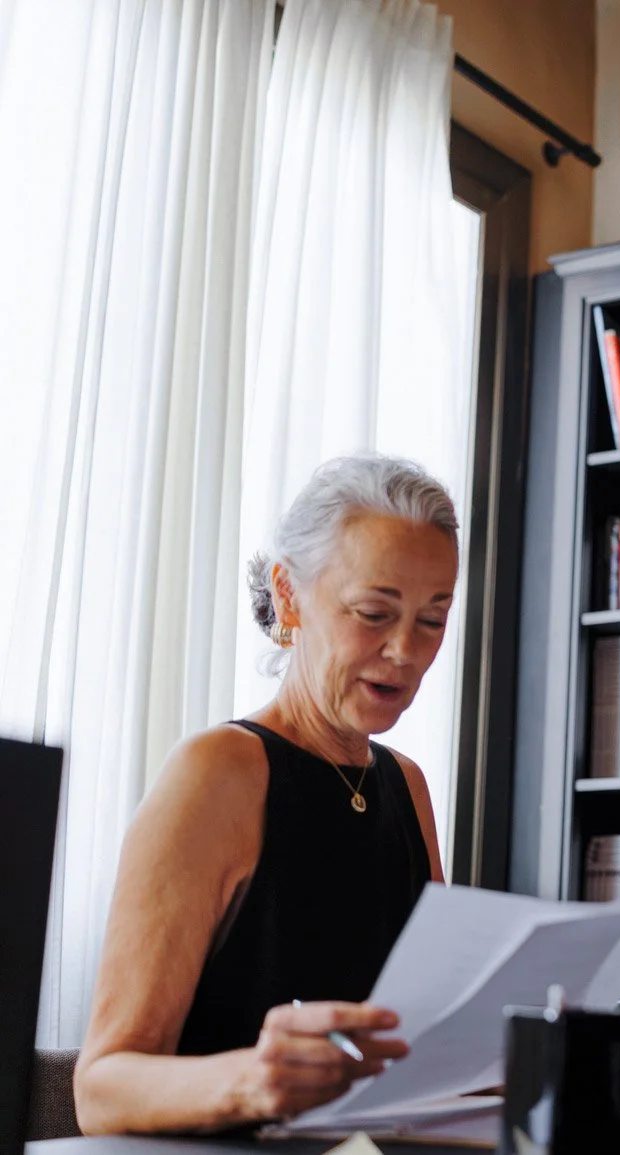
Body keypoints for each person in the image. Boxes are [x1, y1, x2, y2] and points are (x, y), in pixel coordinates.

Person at [74, 455, 459, 1134]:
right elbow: (102, 1090)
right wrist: (252, 1079)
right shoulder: (217, 770)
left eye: (432, 619)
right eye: (374, 612)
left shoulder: (407, 785)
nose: (405, 649)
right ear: (288, 594)